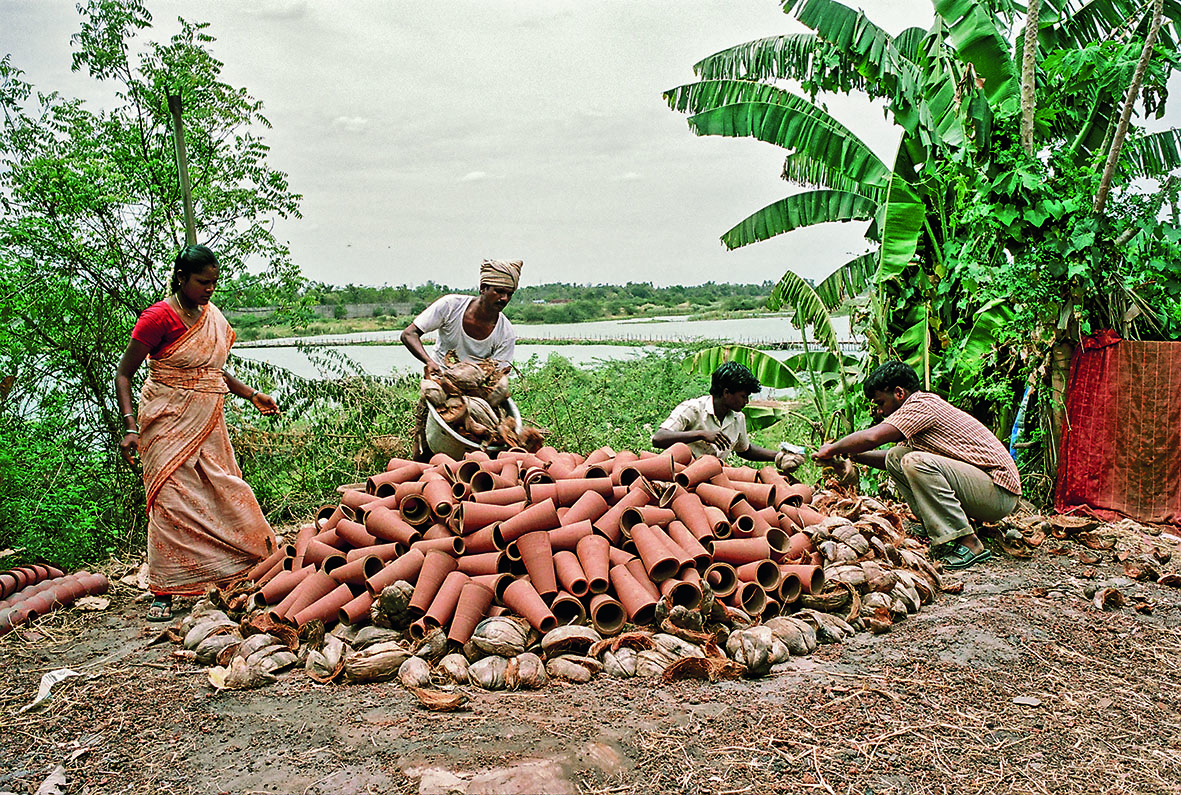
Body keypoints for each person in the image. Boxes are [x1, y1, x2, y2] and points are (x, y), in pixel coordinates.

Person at [114, 244, 278, 621]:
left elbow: (213, 370)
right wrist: (130, 427)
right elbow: (124, 374)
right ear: (181, 279)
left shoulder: (211, 317)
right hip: (165, 421)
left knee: (222, 491)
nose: (209, 289)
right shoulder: (157, 318)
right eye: (203, 282)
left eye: (214, 282)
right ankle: (164, 590)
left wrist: (252, 394)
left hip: (207, 422)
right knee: (170, 503)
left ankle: (235, 570)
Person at [812, 361, 1021, 570]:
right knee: (897, 456)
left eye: (881, 403)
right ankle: (939, 528)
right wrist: (850, 455)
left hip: (999, 492)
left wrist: (832, 448)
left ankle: (969, 543)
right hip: (983, 488)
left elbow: (872, 437)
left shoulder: (921, 405)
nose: (880, 411)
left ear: (899, 392)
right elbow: (888, 458)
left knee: (914, 461)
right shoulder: (914, 416)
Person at [400, 258, 522, 458]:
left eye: (509, 294)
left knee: (483, 453)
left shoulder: (505, 332)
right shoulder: (451, 306)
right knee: (424, 454)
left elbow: (498, 377)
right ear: (483, 288)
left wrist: (483, 396)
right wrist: (429, 362)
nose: (504, 298)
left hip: (477, 398)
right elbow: (409, 334)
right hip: (439, 388)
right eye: (499, 291)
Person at [652, 361, 800, 468]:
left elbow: (745, 450)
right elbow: (658, 438)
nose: (746, 402)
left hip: (713, 477)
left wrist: (778, 456)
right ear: (726, 393)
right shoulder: (692, 409)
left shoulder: (737, 418)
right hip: (682, 472)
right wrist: (701, 434)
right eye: (743, 396)